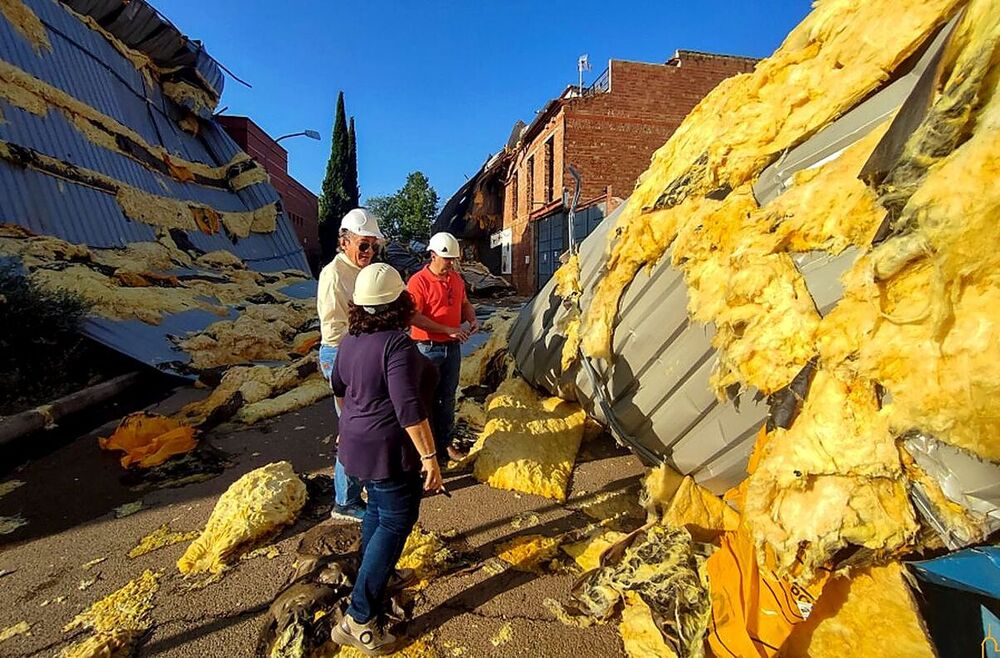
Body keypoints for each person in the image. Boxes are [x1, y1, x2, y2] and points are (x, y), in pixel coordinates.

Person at [329, 263, 444, 654]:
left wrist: (351, 425)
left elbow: (339, 387)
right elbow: (408, 406)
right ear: (399, 302)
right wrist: (429, 456)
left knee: (378, 511)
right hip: (389, 450)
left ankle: (376, 576)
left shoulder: (349, 341)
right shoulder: (396, 344)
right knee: (397, 520)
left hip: (355, 447)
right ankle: (359, 618)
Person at [316, 208, 385, 522]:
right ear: (344, 242)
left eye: (373, 246)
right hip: (341, 355)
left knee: (365, 425)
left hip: (360, 352)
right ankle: (344, 502)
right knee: (353, 429)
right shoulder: (334, 276)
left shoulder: (361, 271)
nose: (369, 253)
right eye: (363, 245)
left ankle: (360, 485)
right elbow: (335, 331)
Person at [408, 232, 478, 463]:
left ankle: (445, 444)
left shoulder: (456, 279)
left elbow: (464, 303)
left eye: (452, 259)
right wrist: (446, 329)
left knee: (447, 398)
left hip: (452, 348)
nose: (450, 263)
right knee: (424, 399)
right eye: (446, 259)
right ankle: (425, 451)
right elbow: (413, 317)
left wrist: (472, 319)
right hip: (426, 349)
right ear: (433, 255)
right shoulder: (418, 281)